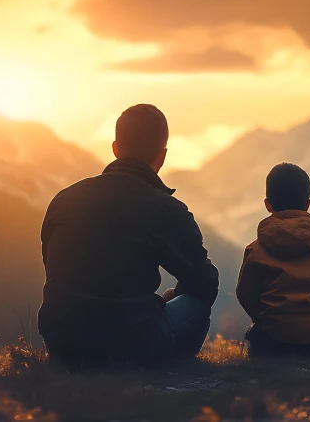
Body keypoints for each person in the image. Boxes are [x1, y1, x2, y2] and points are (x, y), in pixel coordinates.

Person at [38, 104, 219, 368]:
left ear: (115, 148)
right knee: (196, 303)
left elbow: (51, 267)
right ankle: (169, 365)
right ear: (162, 155)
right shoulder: (165, 209)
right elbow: (204, 283)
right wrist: (165, 300)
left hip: (62, 343)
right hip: (132, 344)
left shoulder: (64, 200)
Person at [236, 163, 310, 357]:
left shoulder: (255, 250)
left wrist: (263, 319)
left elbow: (245, 293)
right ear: (307, 204)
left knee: (256, 337)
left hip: (272, 339)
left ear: (268, 205)